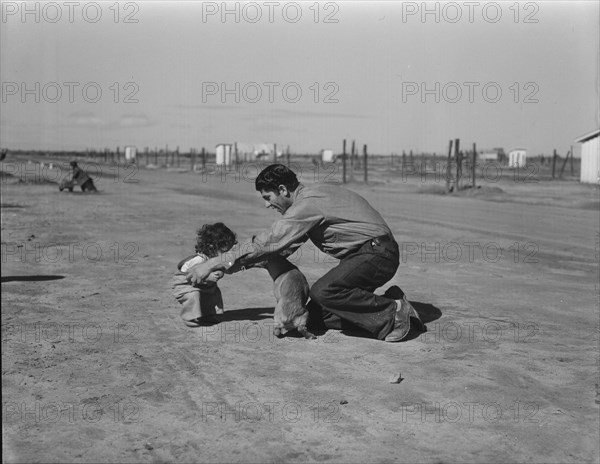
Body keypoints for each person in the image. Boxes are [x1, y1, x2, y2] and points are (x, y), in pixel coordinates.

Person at [186, 164, 425, 342]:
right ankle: (394, 300)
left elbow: (269, 241)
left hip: (377, 253)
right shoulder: (309, 202)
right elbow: (281, 249)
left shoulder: (307, 204)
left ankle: (392, 313)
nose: (267, 205)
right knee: (315, 317)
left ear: (282, 189)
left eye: (268, 197)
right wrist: (230, 265)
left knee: (323, 291)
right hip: (367, 256)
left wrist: (213, 262)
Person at [173, 223, 237, 327]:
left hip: (205, 286)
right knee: (193, 295)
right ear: (212, 246)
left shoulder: (216, 259)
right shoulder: (199, 260)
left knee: (214, 294)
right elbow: (187, 273)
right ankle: (190, 317)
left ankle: (210, 315)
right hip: (186, 286)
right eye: (224, 251)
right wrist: (208, 276)